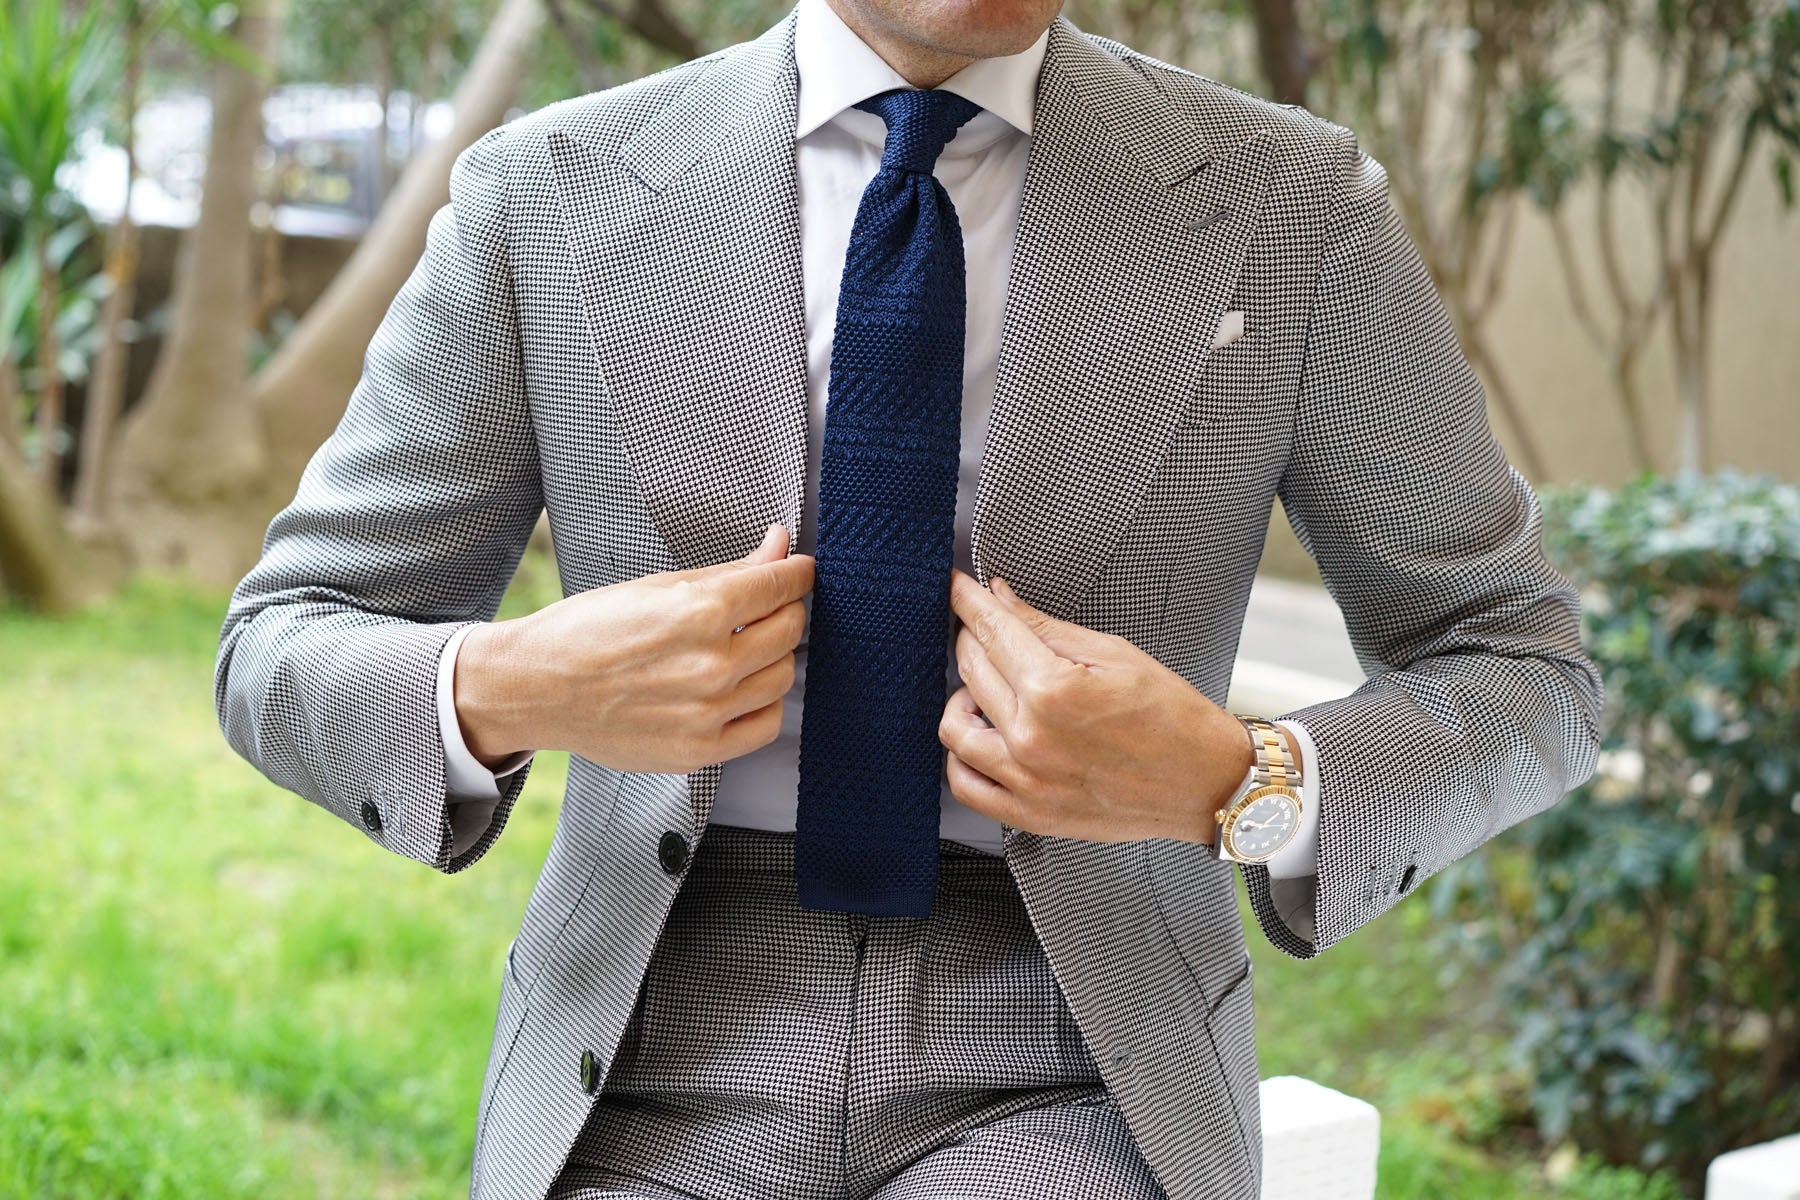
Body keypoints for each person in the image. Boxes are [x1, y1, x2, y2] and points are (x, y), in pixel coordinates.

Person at [214, 0, 1604, 1196]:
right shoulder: (543, 198)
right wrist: (513, 686)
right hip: (654, 1037)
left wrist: (1247, 782)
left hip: (1071, 1044)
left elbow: (1524, 666)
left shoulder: (1292, 208)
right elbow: (283, 647)